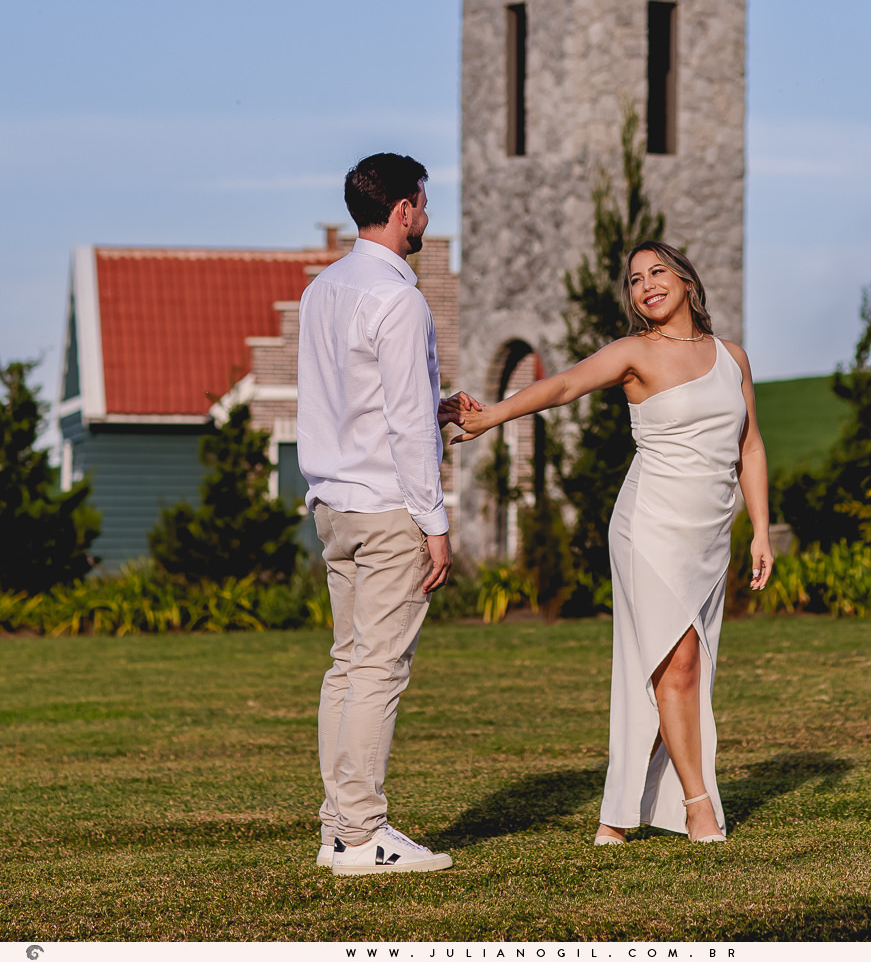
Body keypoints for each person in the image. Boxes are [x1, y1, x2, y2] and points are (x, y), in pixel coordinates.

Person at [454, 240, 772, 845]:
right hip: (649, 527)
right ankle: (698, 807)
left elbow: (750, 446)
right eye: (634, 279)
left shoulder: (732, 357)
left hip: (709, 536)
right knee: (675, 666)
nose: (646, 285)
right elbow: (563, 386)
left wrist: (760, 529)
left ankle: (617, 814)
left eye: (657, 272)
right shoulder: (633, 353)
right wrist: (492, 416)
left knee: (675, 672)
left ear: (686, 280)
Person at [298, 151, 480, 876]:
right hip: (386, 509)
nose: (427, 217)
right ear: (404, 209)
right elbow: (402, 422)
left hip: (334, 505)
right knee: (378, 670)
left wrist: (433, 408)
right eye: (423, 205)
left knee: (347, 667)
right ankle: (361, 834)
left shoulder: (322, 290)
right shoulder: (400, 300)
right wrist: (435, 523)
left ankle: (337, 828)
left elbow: (353, 400)